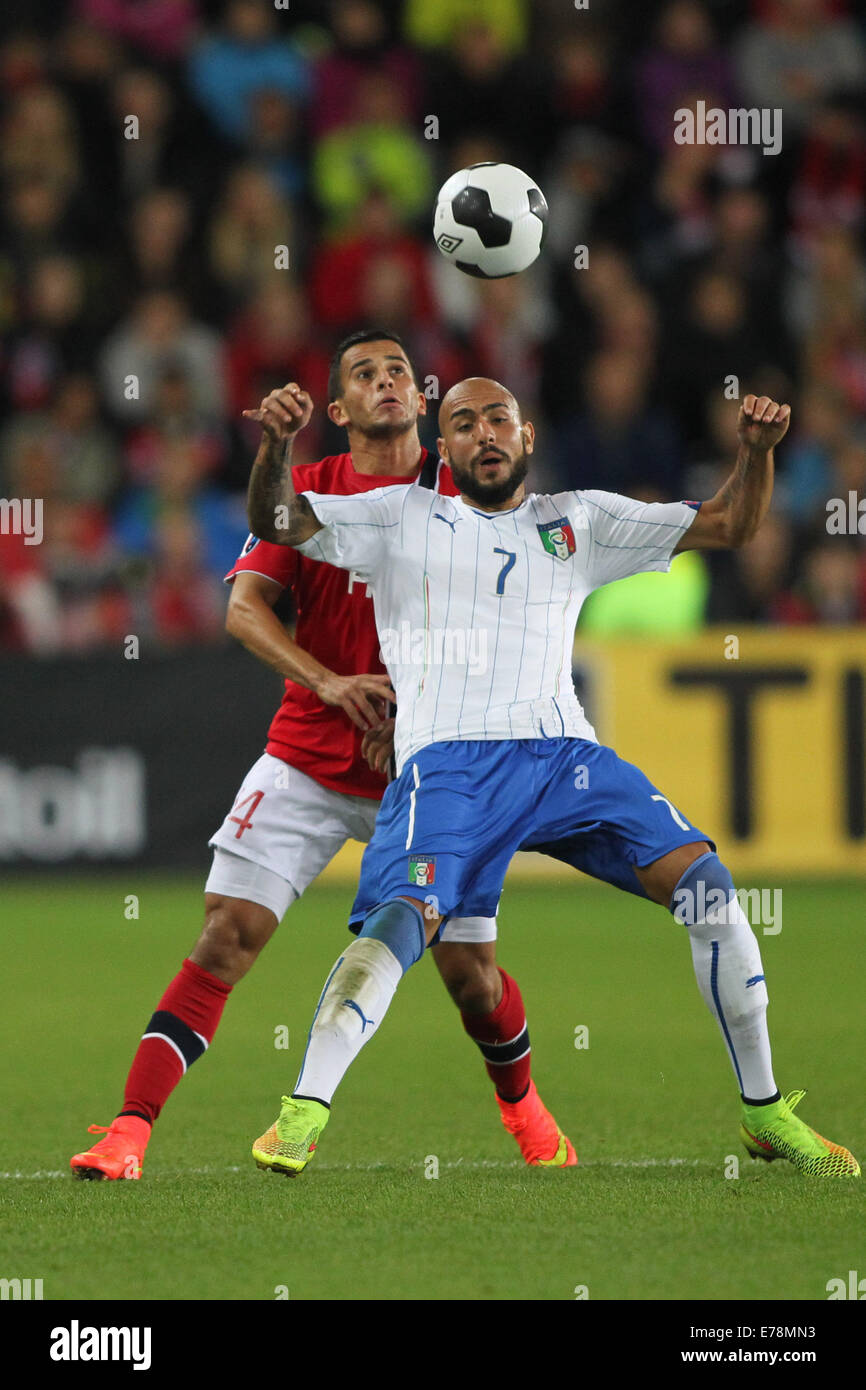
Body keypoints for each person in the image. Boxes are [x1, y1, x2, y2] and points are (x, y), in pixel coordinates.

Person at [244, 373, 859, 1180]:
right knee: (405, 919)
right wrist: (275, 447)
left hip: (565, 759)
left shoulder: (579, 521)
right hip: (451, 763)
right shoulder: (401, 516)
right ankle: (302, 1113)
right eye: (463, 423)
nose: (485, 433)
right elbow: (279, 519)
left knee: (708, 887)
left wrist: (754, 453)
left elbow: (732, 524)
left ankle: (766, 1111)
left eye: (500, 418)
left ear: (528, 437)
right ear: (444, 449)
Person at [69, 334, 575, 1182]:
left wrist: (421, 710)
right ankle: (127, 1133)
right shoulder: (307, 494)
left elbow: (520, 628)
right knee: (225, 938)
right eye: (364, 376)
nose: (385, 383)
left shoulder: (474, 496)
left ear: (423, 401)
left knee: (471, 978)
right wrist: (332, 682)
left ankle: (522, 1105)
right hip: (307, 758)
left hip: (430, 772)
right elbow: (245, 613)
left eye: (398, 374)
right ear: (338, 412)